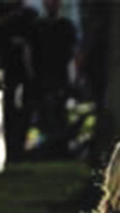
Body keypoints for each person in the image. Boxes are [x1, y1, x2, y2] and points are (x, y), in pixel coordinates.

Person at [0, 0, 37, 161]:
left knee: (17, 112)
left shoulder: (22, 22)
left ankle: (15, 146)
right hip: (10, 74)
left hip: (16, 75)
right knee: (10, 112)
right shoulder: (5, 24)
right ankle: (12, 147)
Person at [31, 0, 79, 154]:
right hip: (43, 77)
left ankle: (58, 146)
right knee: (47, 113)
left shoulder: (65, 27)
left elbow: (72, 54)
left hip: (59, 77)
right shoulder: (39, 27)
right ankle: (51, 145)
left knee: (58, 112)